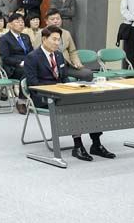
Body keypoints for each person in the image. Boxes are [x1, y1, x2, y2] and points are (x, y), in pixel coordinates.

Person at [24, 26, 114, 161]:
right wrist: (56, 88)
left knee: (89, 102)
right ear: (44, 39)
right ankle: (78, 145)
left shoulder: (59, 55)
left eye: (58, 40)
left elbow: (64, 77)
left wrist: (70, 87)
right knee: (73, 106)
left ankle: (96, 144)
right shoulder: (32, 57)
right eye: (54, 39)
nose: (56, 43)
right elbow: (33, 84)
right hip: (42, 96)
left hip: (60, 93)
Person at [0, 13, 33, 114]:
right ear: (10, 25)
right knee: (28, 72)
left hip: (27, 64)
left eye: (22, 22)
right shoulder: (4, 38)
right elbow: (5, 58)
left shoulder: (26, 37)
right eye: (17, 22)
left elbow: (31, 52)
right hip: (12, 68)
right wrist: (20, 63)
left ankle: (38, 100)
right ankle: (21, 101)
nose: (21, 24)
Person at [44, 9, 93, 81]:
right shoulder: (42, 34)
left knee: (87, 74)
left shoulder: (66, 33)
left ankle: (80, 91)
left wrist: (77, 62)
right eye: (52, 19)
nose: (55, 21)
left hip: (66, 66)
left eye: (58, 19)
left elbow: (72, 51)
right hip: (51, 67)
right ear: (46, 21)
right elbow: (38, 53)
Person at [120, 0, 134, 67]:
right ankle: (129, 75)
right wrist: (133, 18)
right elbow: (123, 10)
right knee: (129, 53)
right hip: (131, 27)